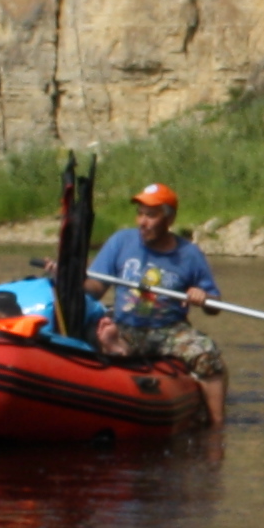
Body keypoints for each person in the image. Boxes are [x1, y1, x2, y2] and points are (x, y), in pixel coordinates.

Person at [88, 181, 226, 425]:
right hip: (126, 325)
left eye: (151, 215)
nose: (142, 222)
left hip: (170, 330)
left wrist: (203, 298)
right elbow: (95, 289)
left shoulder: (189, 254)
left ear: (169, 219)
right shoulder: (121, 241)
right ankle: (118, 348)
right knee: (98, 333)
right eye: (140, 214)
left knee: (207, 354)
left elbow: (215, 306)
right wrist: (69, 277)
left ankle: (217, 424)